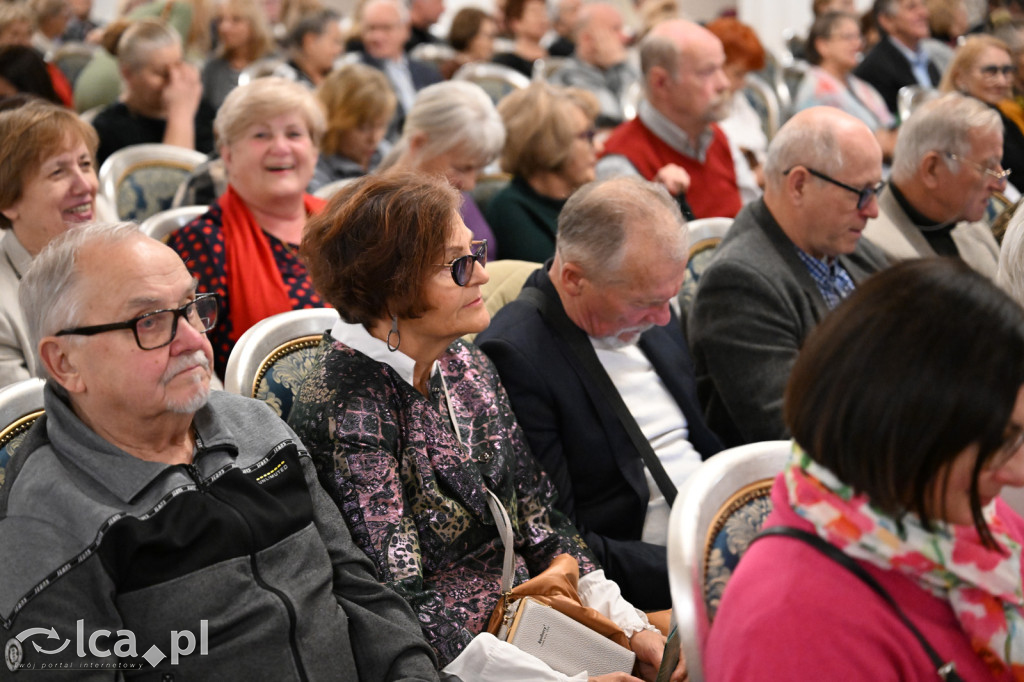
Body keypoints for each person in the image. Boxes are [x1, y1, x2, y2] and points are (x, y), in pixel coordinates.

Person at [1, 221, 440, 679]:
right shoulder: (45, 519)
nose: (193, 339)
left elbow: (357, 587)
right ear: (65, 363)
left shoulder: (256, 426)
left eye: (191, 308)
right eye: (149, 322)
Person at [288, 171, 670, 680]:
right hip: (457, 663)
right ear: (392, 286)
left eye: (476, 253)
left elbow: (541, 516)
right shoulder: (346, 405)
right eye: (458, 266)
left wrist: (630, 627)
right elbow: (404, 606)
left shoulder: (463, 363)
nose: (484, 277)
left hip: (536, 624)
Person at [705, 258, 1024, 681]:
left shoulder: (949, 507)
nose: (1017, 473)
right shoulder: (792, 631)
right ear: (899, 432)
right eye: (1000, 443)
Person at [476, 176, 723, 610]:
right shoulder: (517, 356)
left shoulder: (646, 307)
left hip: (722, 519)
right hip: (653, 575)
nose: (664, 318)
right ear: (574, 279)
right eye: (646, 302)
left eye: (669, 298)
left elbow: (704, 436)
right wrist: (712, 566)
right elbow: (562, 541)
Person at [688, 107, 890, 447]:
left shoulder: (850, 248)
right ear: (799, 185)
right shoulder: (739, 285)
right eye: (861, 193)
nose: (872, 210)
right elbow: (796, 433)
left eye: (876, 190)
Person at [167, 77, 326, 378]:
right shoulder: (203, 243)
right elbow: (190, 361)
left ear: (315, 151)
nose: (280, 147)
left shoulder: (348, 224)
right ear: (228, 155)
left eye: (294, 134)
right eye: (261, 135)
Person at [598, 19, 751, 220]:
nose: (724, 84)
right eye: (707, 72)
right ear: (660, 83)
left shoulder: (718, 138)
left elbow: (753, 222)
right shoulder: (620, 164)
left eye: (721, 68)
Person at [0, 99, 97, 388]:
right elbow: (24, 424)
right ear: (8, 201)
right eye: (58, 172)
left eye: (85, 164)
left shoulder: (129, 259)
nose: (85, 185)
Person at [863, 93, 1003, 277]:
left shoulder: (971, 227)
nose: (1001, 185)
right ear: (932, 169)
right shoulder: (874, 250)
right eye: (986, 167)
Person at [381, 80, 503, 256]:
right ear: (419, 144)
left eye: (477, 170)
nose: (470, 184)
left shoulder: (451, 196)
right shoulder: (380, 219)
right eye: (462, 168)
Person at [485, 82, 598, 262]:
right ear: (548, 144)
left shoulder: (584, 202)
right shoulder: (509, 212)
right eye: (586, 136)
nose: (598, 147)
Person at [91, 18, 214, 166]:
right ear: (128, 74)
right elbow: (169, 183)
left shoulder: (203, 111)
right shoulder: (107, 129)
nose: (175, 80)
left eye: (178, 65)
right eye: (162, 73)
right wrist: (181, 115)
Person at [796, 11, 898, 160]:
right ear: (822, 45)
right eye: (848, 37)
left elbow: (889, 130)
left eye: (858, 37)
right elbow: (828, 152)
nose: (857, 44)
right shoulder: (815, 91)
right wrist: (881, 143)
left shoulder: (859, 85)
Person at [940, 34, 1024, 194]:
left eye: (1007, 71)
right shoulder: (957, 123)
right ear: (960, 77)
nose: (1002, 81)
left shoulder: (1002, 113)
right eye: (991, 71)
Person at [705, 17, 768, 201]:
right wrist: (757, 178)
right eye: (738, 74)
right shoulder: (702, 110)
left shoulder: (737, 100)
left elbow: (758, 142)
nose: (742, 83)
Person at [358, 0, 441, 139]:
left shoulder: (426, 72)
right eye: (371, 28)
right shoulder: (356, 75)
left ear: (406, 29)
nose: (377, 36)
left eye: (386, 28)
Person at [549, 2, 639, 130]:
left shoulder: (617, 68)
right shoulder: (570, 77)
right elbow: (619, 117)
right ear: (587, 39)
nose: (624, 37)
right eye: (615, 29)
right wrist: (620, 64)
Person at [313, 62, 396, 186]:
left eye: (381, 125)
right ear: (335, 122)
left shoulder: (387, 154)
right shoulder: (314, 169)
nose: (374, 138)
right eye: (364, 128)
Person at [853, 0, 940, 116]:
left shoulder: (927, 57)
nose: (924, 13)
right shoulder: (875, 69)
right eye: (911, 7)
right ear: (887, 20)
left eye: (923, 5)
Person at [200, 0, 274, 110]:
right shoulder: (212, 68)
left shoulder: (274, 65)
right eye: (220, 20)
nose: (224, 27)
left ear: (254, 24)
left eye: (236, 20)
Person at [285, 8, 342, 88]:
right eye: (335, 41)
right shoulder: (286, 82)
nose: (339, 49)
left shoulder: (336, 75)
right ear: (310, 42)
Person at [492, 0, 549, 79]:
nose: (543, 19)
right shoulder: (504, 63)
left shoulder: (559, 53)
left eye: (543, 11)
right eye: (535, 12)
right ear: (516, 22)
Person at [443, 7, 498, 78]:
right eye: (489, 36)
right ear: (470, 37)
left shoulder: (487, 71)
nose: (492, 43)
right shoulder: (449, 72)